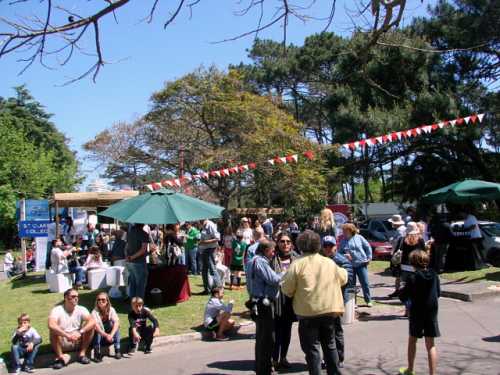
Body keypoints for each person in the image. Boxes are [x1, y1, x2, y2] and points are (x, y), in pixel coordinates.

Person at [282, 230, 347, 375]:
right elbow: (344, 277)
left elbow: (287, 289)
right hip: (329, 310)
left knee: (312, 350)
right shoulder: (328, 262)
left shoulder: (297, 264)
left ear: (300, 245)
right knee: (330, 346)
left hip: (307, 313)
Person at [399, 250, 440, 375]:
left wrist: (402, 290)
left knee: (413, 339)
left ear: (413, 263)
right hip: (431, 311)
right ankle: (432, 373)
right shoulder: (434, 275)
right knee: (430, 344)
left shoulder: (413, 277)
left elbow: (404, 296)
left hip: (417, 311)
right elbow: (438, 292)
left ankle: (410, 369)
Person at [246, 240, 283, 375]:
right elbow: (272, 279)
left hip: (257, 301)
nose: (273, 254)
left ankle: (260, 366)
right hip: (263, 302)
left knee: (261, 336)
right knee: (267, 338)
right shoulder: (260, 262)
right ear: (266, 250)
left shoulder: (251, 261)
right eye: (272, 251)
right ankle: (264, 369)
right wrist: (284, 274)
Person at [320, 235, 354, 369]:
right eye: (325, 246)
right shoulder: (320, 260)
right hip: (322, 301)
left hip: (335, 300)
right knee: (324, 332)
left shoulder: (342, 261)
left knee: (336, 330)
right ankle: (327, 358)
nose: (328, 248)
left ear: (336, 246)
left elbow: (348, 280)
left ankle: (339, 358)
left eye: (331, 246)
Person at [271, 232, 299, 370]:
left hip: (291, 300)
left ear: (292, 244)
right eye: (282, 241)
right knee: (275, 331)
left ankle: (283, 357)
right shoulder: (272, 259)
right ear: (278, 243)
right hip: (276, 300)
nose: (285, 244)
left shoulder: (297, 259)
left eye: (288, 241)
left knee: (287, 331)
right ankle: (274, 358)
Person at [48, 288, 96, 369]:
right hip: (63, 341)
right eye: (73, 296)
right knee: (53, 331)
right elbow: (51, 324)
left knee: (91, 327)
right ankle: (60, 358)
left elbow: (92, 321)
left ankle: (82, 354)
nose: (76, 298)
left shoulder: (81, 309)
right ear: (66, 298)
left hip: (77, 339)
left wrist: (80, 332)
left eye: (77, 296)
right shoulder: (57, 310)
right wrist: (67, 335)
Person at [338, 223, 373, 307]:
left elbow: (367, 247)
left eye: (345, 230)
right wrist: (344, 256)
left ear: (350, 230)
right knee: (351, 284)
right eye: (343, 231)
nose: (343, 232)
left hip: (361, 263)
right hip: (350, 265)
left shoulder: (359, 237)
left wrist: (369, 257)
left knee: (365, 283)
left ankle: (368, 300)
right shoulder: (343, 241)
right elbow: (339, 253)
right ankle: (354, 302)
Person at [391, 222, 426, 297]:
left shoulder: (403, 239)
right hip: (416, 263)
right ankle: (414, 297)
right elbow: (423, 252)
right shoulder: (420, 239)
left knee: (406, 282)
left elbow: (398, 250)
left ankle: (407, 297)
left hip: (404, 264)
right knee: (416, 281)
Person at [92, 292, 121, 361]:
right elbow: (96, 327)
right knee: (97, 329)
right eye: (98, 300)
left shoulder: (111, 309)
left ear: (107, 301)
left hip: (110, 338)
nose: (101, 301)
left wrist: (111, 335)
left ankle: (117, 349)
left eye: (103, 300)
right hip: (100, 338)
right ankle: (97, 352)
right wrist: (106, 336)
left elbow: (117, 322)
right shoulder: (94, 312)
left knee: (114, 324)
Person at [126, 224, 150, 299]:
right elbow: (143, 250)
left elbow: (127, 246)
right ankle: (139, 306)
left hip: (130, 262)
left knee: (132, 284)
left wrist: (129, 257)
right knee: (140, 285)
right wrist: (132, 257)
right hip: (138, 262)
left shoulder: (130, 233)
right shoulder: (144, 234)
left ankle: (133, 305)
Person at [199, 219, 222, 294]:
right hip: (204, 249)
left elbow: (217, 238)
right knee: (204, 270)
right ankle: (207, 290)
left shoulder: (211, 225)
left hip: (211, 249)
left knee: (212, 269)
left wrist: (204, 242)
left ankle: (219, 289)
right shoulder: (203, 225)